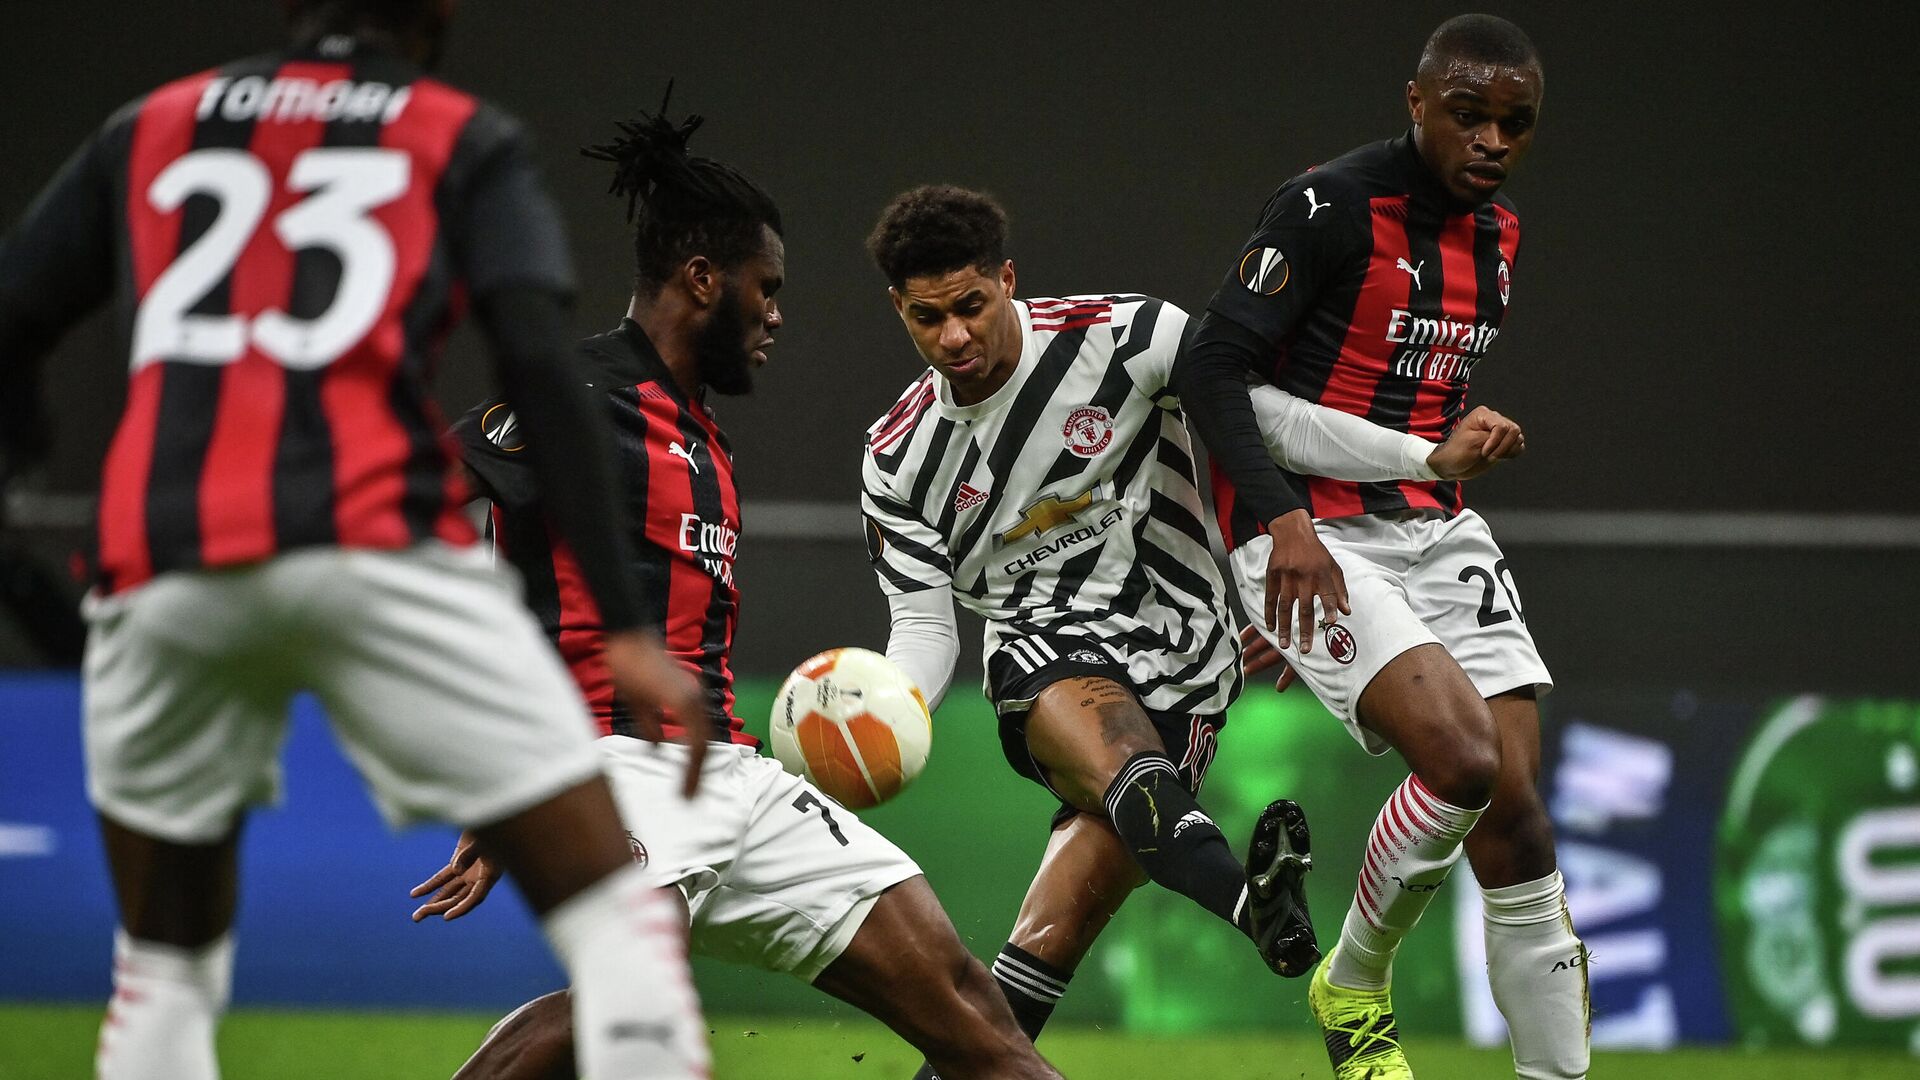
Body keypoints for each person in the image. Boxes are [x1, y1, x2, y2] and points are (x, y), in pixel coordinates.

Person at [0, 2, 715, 1077]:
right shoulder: (456, 132)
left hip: (168, 558)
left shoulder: (150, 124)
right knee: (619, 927)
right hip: (376, 544)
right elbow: (540, 375)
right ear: (434, 18)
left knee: (164, 973)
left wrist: (26, 457)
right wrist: (623, 624)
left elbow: (12, 316)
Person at [410, 105, 1062, 1080]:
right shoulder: (579, 397)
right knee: (628, 1005)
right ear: (702, 280)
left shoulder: (699, 432)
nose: (776, 313)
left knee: (965, 1000)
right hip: (613, 765)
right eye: (765, 289)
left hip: (730, 777)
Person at [861, 185, 1524, 1079]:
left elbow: (1270, 424)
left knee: (1035, 958)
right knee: (1123, 761)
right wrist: (891, 710)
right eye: (926, 317)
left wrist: (1420, 457)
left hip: (1187, 665)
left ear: (1007, 281)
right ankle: (1259, 909)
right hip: (1042, 648)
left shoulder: (1129, 336)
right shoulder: (897, 454)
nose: (953, 338)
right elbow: (923, 625)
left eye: (970, 306)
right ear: (899, 309)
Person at [1193, 14, 1589, 1080]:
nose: (1494, 141)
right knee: (1458, 763)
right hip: (1310, 532)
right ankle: (1354, 984)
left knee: (1519, 820)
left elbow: (1415, 405)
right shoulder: (1326, 207)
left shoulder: (1499, 241)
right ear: (1418, 105)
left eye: (1516, 123)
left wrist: (1440, 452)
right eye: (1470, 116)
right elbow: (1214, 370)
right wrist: (1278, 531)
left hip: (1428, 523)